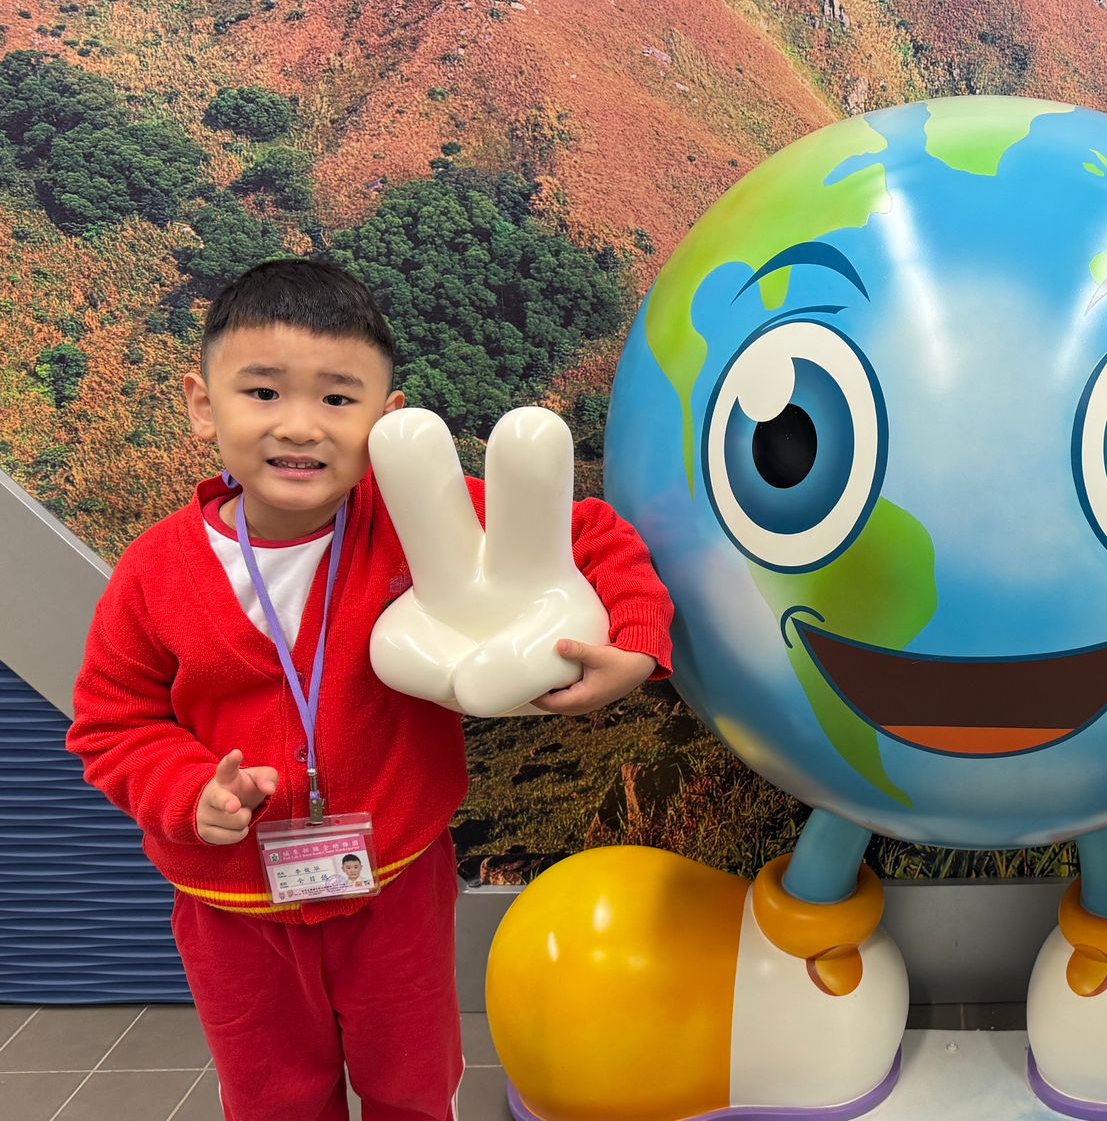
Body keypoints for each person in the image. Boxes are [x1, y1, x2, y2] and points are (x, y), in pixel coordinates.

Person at [67, 258, 675, 1121]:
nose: (301, 425)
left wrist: (637, 642)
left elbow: (583, 534)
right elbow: (111, 723)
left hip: (396, 884)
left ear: (387, 422)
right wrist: (186, 791)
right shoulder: (155, 576)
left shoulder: (413, 522)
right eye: (263, 392)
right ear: (203, 406)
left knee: (414, 1086)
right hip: (232, 908)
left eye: (338, 398)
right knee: (272, 1099)